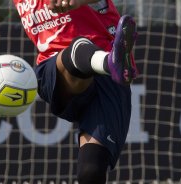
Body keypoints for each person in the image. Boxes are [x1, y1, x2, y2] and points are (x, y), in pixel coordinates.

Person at [13, 0, 138, 183]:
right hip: (55, 68)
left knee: (91, 171)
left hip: (110, 78)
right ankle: (109, 62)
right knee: (78, 47)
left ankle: (112, 62)